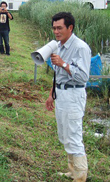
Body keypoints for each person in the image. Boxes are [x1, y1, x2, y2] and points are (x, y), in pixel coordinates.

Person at [45, 12, 91, 182]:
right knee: (64, 134)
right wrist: (51, 95)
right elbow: (57, 75)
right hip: (61, 94)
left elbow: (83, 77)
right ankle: (72, 170)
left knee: (73, 134)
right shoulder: (58, 45)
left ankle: (80, 176)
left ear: (70, 28)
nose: (56, 32)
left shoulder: (80, 47)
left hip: (73, 94)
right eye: (54, 28)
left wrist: (63, 63)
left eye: (59, 28)